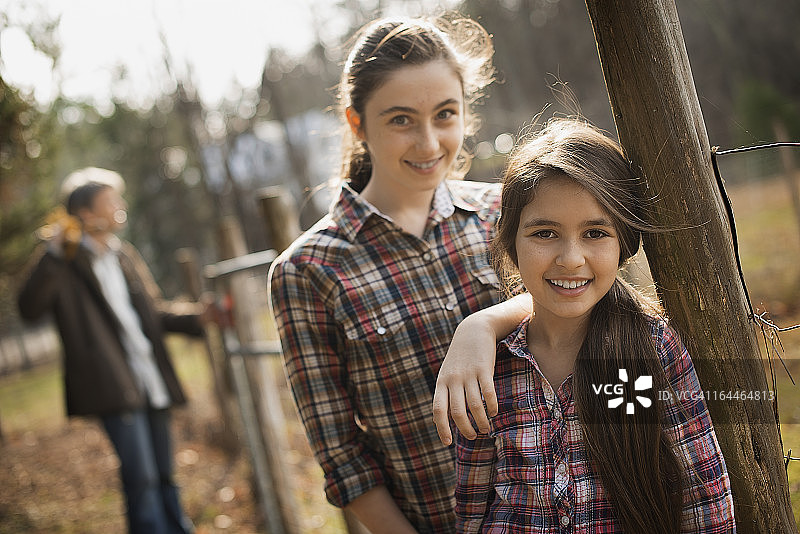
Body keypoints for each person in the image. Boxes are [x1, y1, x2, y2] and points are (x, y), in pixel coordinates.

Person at [267, 14, 529, 533]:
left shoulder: (507, 214)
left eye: (445, 114)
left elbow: (583, 303)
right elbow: (344, 460)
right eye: (401, 120)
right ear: (357, 123)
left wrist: (483, 324)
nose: (430, 144)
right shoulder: (307, 271)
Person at [453, 118, 735, 532]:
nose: (570, 258)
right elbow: (472, 509)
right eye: (545, 232)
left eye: (595, 232)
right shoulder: (487, 368)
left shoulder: (648, 353)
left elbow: (704, 500)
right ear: (511, 244)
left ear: (624, 242)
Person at [17, 168, 202, 534]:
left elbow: (155, 313)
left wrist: (201, 318)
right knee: (143, 481)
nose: (121, 207)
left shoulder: (123, 256)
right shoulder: (65, 264)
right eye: (111, 201)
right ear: (86, 214)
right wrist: (53, 254)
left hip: (151, 379)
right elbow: (29, 309)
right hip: (112, 386)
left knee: (165, 475)